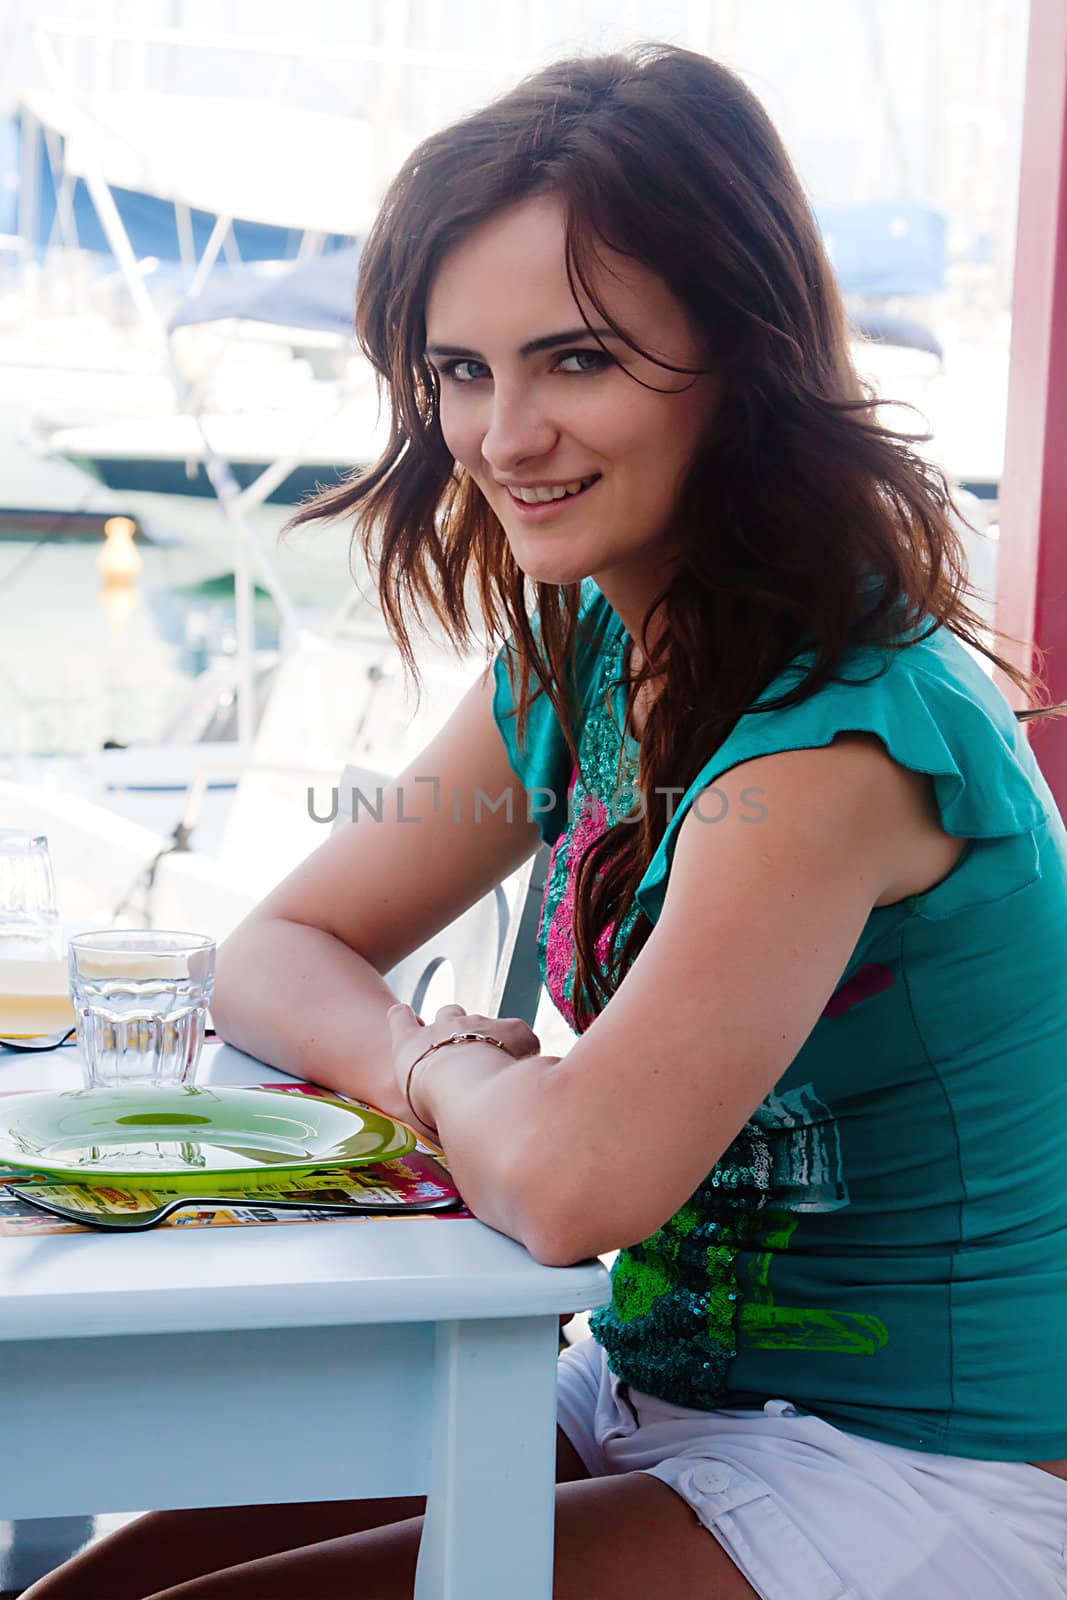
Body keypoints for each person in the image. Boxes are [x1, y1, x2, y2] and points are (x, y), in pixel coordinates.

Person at [26, 41, 1067, 1600]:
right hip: (650, 1395)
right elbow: (275, 949)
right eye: (461, 370)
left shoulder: (839, 738)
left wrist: (475, 1095)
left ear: (743, 354)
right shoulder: (586, 649)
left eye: (575, 360)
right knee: (97, 1590)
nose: (504, 435)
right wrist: (433, 1058)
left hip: (920, 1464)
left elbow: (580, 1187)